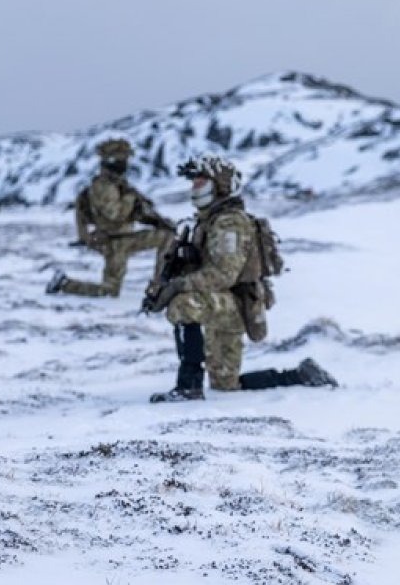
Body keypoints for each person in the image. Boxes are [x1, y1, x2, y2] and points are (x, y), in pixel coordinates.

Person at [142, 154, 337, 403]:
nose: (195, 188)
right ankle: (299, 376)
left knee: (183, 304)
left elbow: (224, 275)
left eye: (201, 182)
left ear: (220, 186)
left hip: (236, 303)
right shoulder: (205, 221)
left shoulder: (229, 223)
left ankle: (188, 386)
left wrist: (177, 287)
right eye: (194, 183)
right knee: (226, 384)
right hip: (222, 303)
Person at [46, 137, 172, 297]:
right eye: (122, 159)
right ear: (112, 161)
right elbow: (115, 215)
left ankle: (160, 286)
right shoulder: (103, 186)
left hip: (124, 238)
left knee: (167, 236)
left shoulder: (118, 184)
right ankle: (64, 284)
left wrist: (155, 220)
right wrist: (131, 199)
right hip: (112, 241)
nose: (126, 163)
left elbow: (134, 212)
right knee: (109, 291)